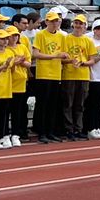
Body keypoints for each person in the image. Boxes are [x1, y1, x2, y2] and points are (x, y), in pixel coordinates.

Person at [31, 9, 69, 142]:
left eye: (57, 21)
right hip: (43, 74)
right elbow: (35, 54)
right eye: (52, 21)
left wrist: (68, 58)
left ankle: (51, 131)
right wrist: (54, 56)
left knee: (53, 105)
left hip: (56, 74)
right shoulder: (40, 35)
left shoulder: (61, 36)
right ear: (46, 21)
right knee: (43, 104)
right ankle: (42, 132)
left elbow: (63, 54)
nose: (55, 24)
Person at [59, 15, 97, 140]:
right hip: (68, 75)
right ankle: (68, 129)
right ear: (73, 25)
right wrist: (71, 61)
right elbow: (61, 59)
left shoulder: (88, 41)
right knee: (68, 103)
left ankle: (78, 128)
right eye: (76, 23)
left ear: (85, 26)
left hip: (83, 75)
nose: (78, 26)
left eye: (81, 24)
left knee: (80, 104)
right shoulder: (65, 39)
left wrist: (83, 63)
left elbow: (92, 60)